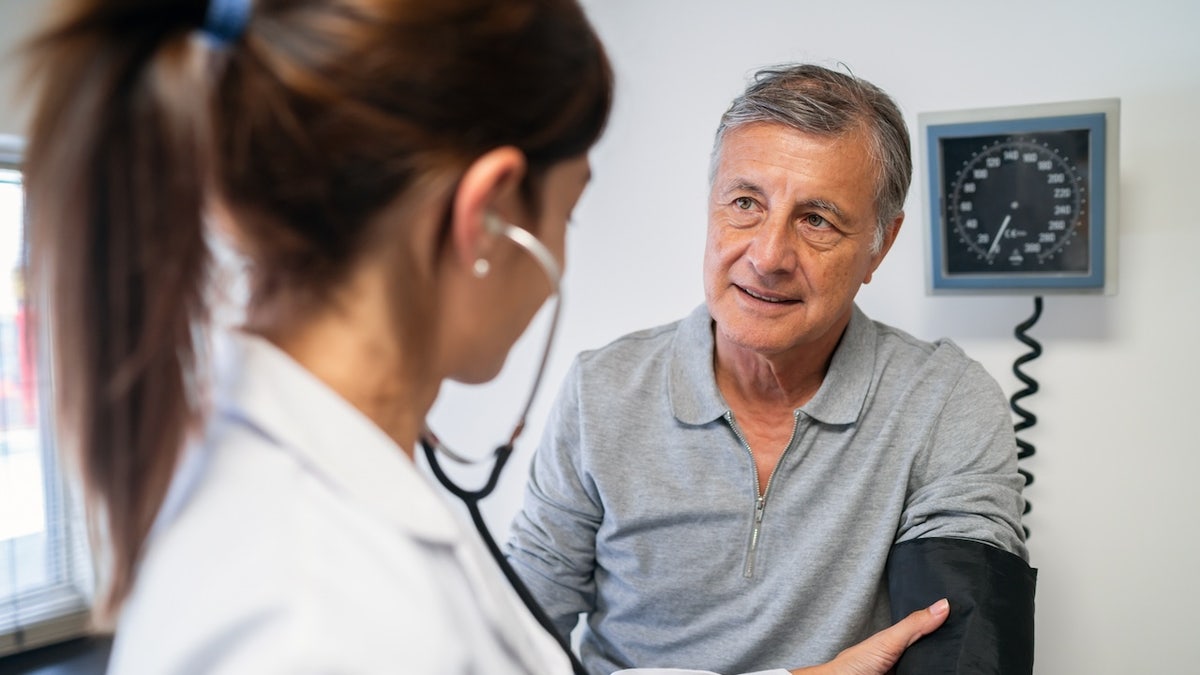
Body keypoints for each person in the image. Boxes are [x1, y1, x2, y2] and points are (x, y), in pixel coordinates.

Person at [22, 3, 948, 674]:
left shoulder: (335, 507)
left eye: (819, 220)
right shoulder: (311, 611)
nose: (769, 254)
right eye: (568, 208)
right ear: (488, 215)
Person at [508, 63, 1037, 675]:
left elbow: (968, 657)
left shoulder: (945, 401)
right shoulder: (600, 392)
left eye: (817, 219)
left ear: (880, 246)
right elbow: (509, 642)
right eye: (744, 203)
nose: (767, 256)